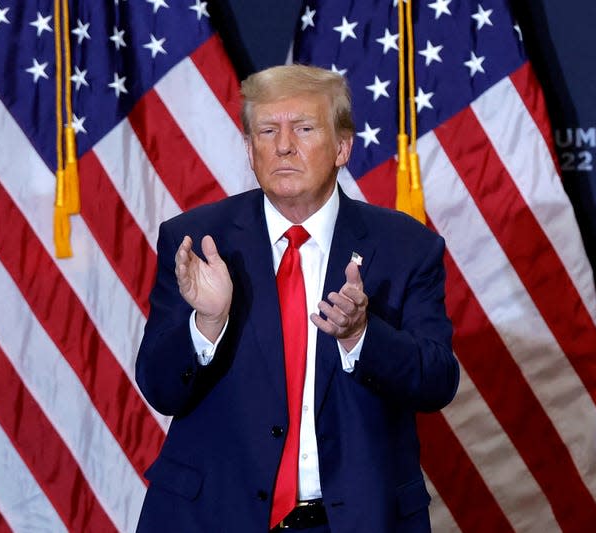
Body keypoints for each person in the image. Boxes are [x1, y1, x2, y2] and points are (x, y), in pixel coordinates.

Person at [135, 64, 459, 533]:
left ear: (343, 147)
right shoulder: (197, 241)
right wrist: (207, 324)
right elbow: (161, 388)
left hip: (355, 521)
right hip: (213, 517)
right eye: (267, 130)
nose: (283, 145)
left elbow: (437, 382)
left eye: (304, 129)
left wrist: (362, 336)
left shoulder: (405, 248)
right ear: (250, 150)